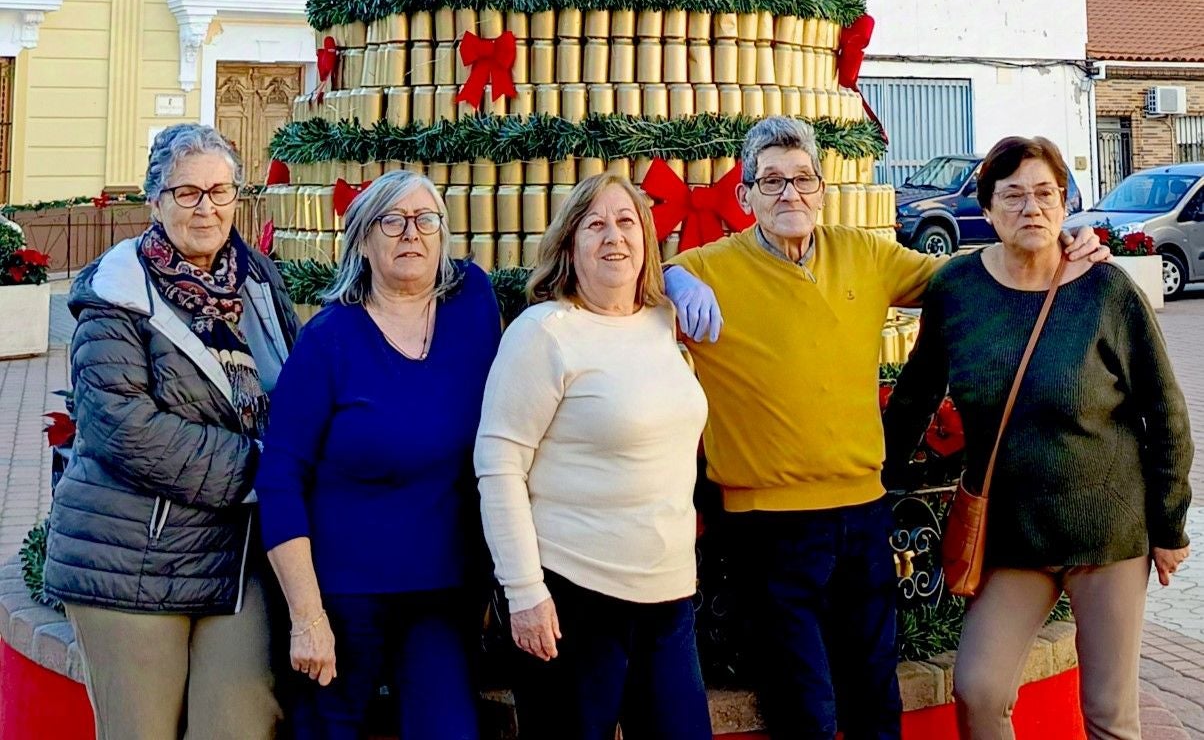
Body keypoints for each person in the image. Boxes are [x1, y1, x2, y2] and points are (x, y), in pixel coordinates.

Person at [661, 116, 1109, 740]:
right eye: (771, 181)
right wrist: (671, 276)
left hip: (862, 515)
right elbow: (619, 285)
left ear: (821, 188)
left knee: (875, 699)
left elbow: (964, 278)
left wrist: (1054, 248)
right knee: (805, 709)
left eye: (803, 179)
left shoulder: (864, 253)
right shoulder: (708, 270)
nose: (789, 194)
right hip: (767, 528)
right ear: (745, 196)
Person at [883, 135, 1193, 740]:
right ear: (988, 207)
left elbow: (1166, 409)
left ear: (1065, 202)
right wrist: (880, 479)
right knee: (979, 688)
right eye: (1014, 195)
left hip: (1108, 530)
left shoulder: (1105, 291)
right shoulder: (957, 290)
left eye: (1046, 194)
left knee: (1109, 714)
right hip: (1012, 536)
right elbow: (916, 395)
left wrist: (1170, 523)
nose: (1032, 208)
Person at [44, 123, 299, 740]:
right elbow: (122, 428)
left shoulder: (258, 281)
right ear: (155, 199)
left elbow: (294, 387)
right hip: (133, 550)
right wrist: (262, 468)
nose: (206, 207)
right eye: (187, 192)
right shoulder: (118, 291)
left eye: (220, 190)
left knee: (240, 724)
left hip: (235, 553)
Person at [256, 170, 501, 740]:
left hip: (442, 590)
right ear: (363, 240)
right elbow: (280, 478)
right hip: (342, 596)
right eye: (392, 222)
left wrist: (680, 282)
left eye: (425, 220)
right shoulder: (329, 339)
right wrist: (307, 617)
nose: (410, 234)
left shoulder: (473, 302)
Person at [474, 173, 712, 740]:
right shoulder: (545, 334)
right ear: (570, 245)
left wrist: (680, 281)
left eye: (627, 222)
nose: (614, 236)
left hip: (668, 597)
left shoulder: (663, 323)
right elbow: (500, 465)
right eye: (595, 224)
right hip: (573, 598)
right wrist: (524, 591)